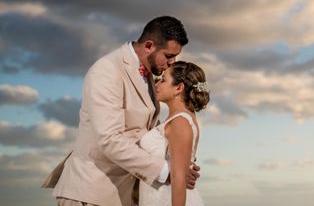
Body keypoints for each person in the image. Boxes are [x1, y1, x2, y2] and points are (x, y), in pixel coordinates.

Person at [42, 16, 199, 206]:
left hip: (123, 195)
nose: (172, 62)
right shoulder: (107, 70)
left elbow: (143, 130)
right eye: (168, 56)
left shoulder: (150, 74)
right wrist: (166, 170)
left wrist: (179, 165)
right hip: (91, 194)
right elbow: (110, 139)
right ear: (149, 46)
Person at [139, 61, 210, 206]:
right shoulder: (178, 119)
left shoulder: (180, 122)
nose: (157, 85)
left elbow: (178, 180)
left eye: (163, 80)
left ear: (179, 88)